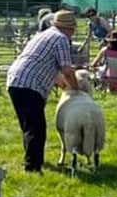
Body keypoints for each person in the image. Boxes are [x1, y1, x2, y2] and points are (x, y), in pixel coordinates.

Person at [6, 10, 80, 174]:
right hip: (29, 84)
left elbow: (53, 71)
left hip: (16, 80)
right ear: (69, 28)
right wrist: (77, 89)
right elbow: (67, 70)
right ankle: (32, 167)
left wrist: (65, 86)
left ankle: (33, 160)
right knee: (36, 128)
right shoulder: (61, 39)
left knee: (29, 126)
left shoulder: (44, 34)